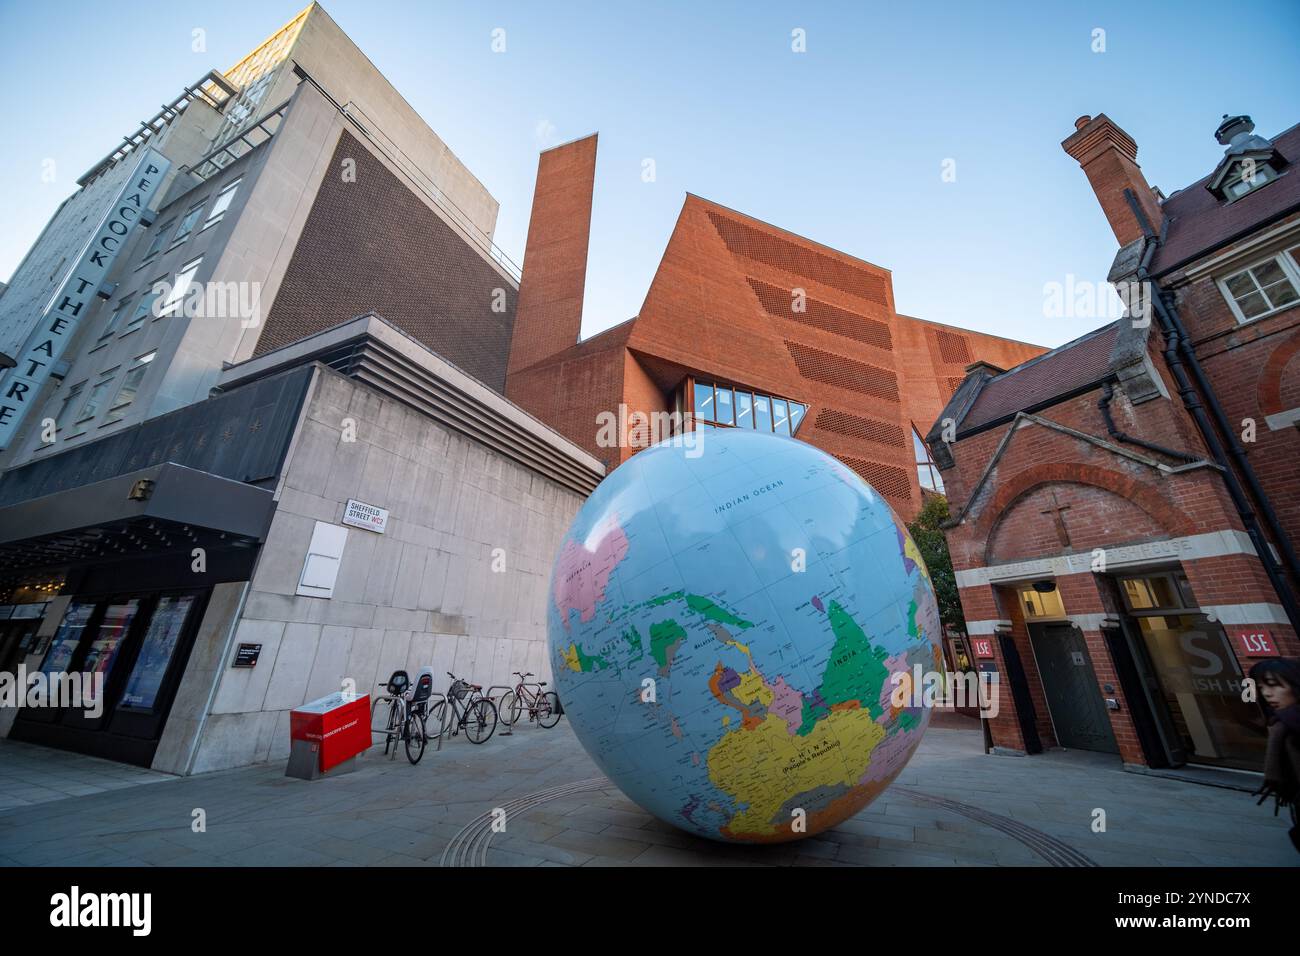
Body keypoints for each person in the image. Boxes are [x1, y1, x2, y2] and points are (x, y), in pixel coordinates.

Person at [1248, 658, 1300, 853]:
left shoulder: (1288, 725)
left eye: (1274, 685)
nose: (1267, 694)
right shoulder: (1280, 725)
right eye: (1261, 688)